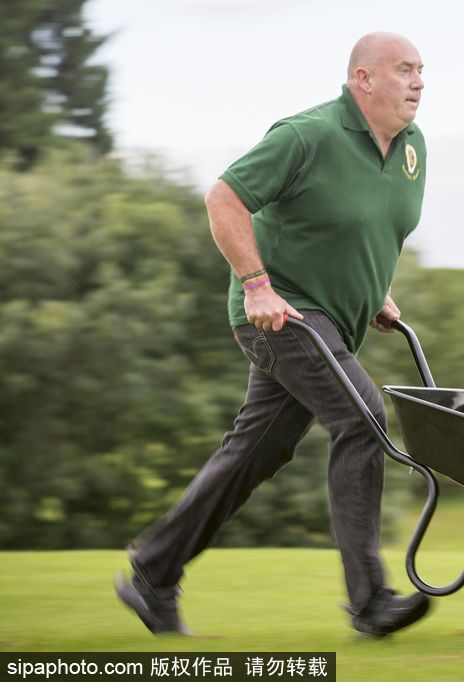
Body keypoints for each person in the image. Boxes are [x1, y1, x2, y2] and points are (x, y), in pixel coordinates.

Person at [115, 32, 431, 638]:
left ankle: (152, 573)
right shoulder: (306, 135)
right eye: (404, 70)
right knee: (363, 416)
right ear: (363, 79)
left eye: (421, 71)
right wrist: (256, 283)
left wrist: (375, 290)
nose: (418, 82)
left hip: (333, 322)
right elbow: (225, 198)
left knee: (256, 453)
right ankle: (371, 602)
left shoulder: (412, 147)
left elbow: (371, 226)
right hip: (279, 317)